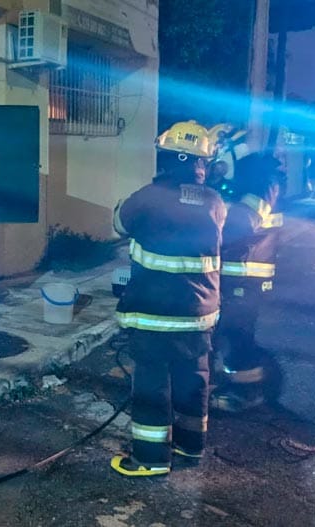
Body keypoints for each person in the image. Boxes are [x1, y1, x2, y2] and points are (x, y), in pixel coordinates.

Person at [111, 121, 226, 477]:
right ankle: (190, 447)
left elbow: (118, 223)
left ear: (167, 157)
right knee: (195, 377)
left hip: (154, 313)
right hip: (199, 315)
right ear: (199, 163)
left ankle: (149, 458)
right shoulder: (216, 202)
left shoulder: (149, 197)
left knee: (151, 382)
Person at [210, 153, 285, 412]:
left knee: (237, 338)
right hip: (242, 281)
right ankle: (240, 386)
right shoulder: (256, 192)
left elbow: (236, 226)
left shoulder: (257, 197)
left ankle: (247, 391)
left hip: (245, 282)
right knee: (230, 335)